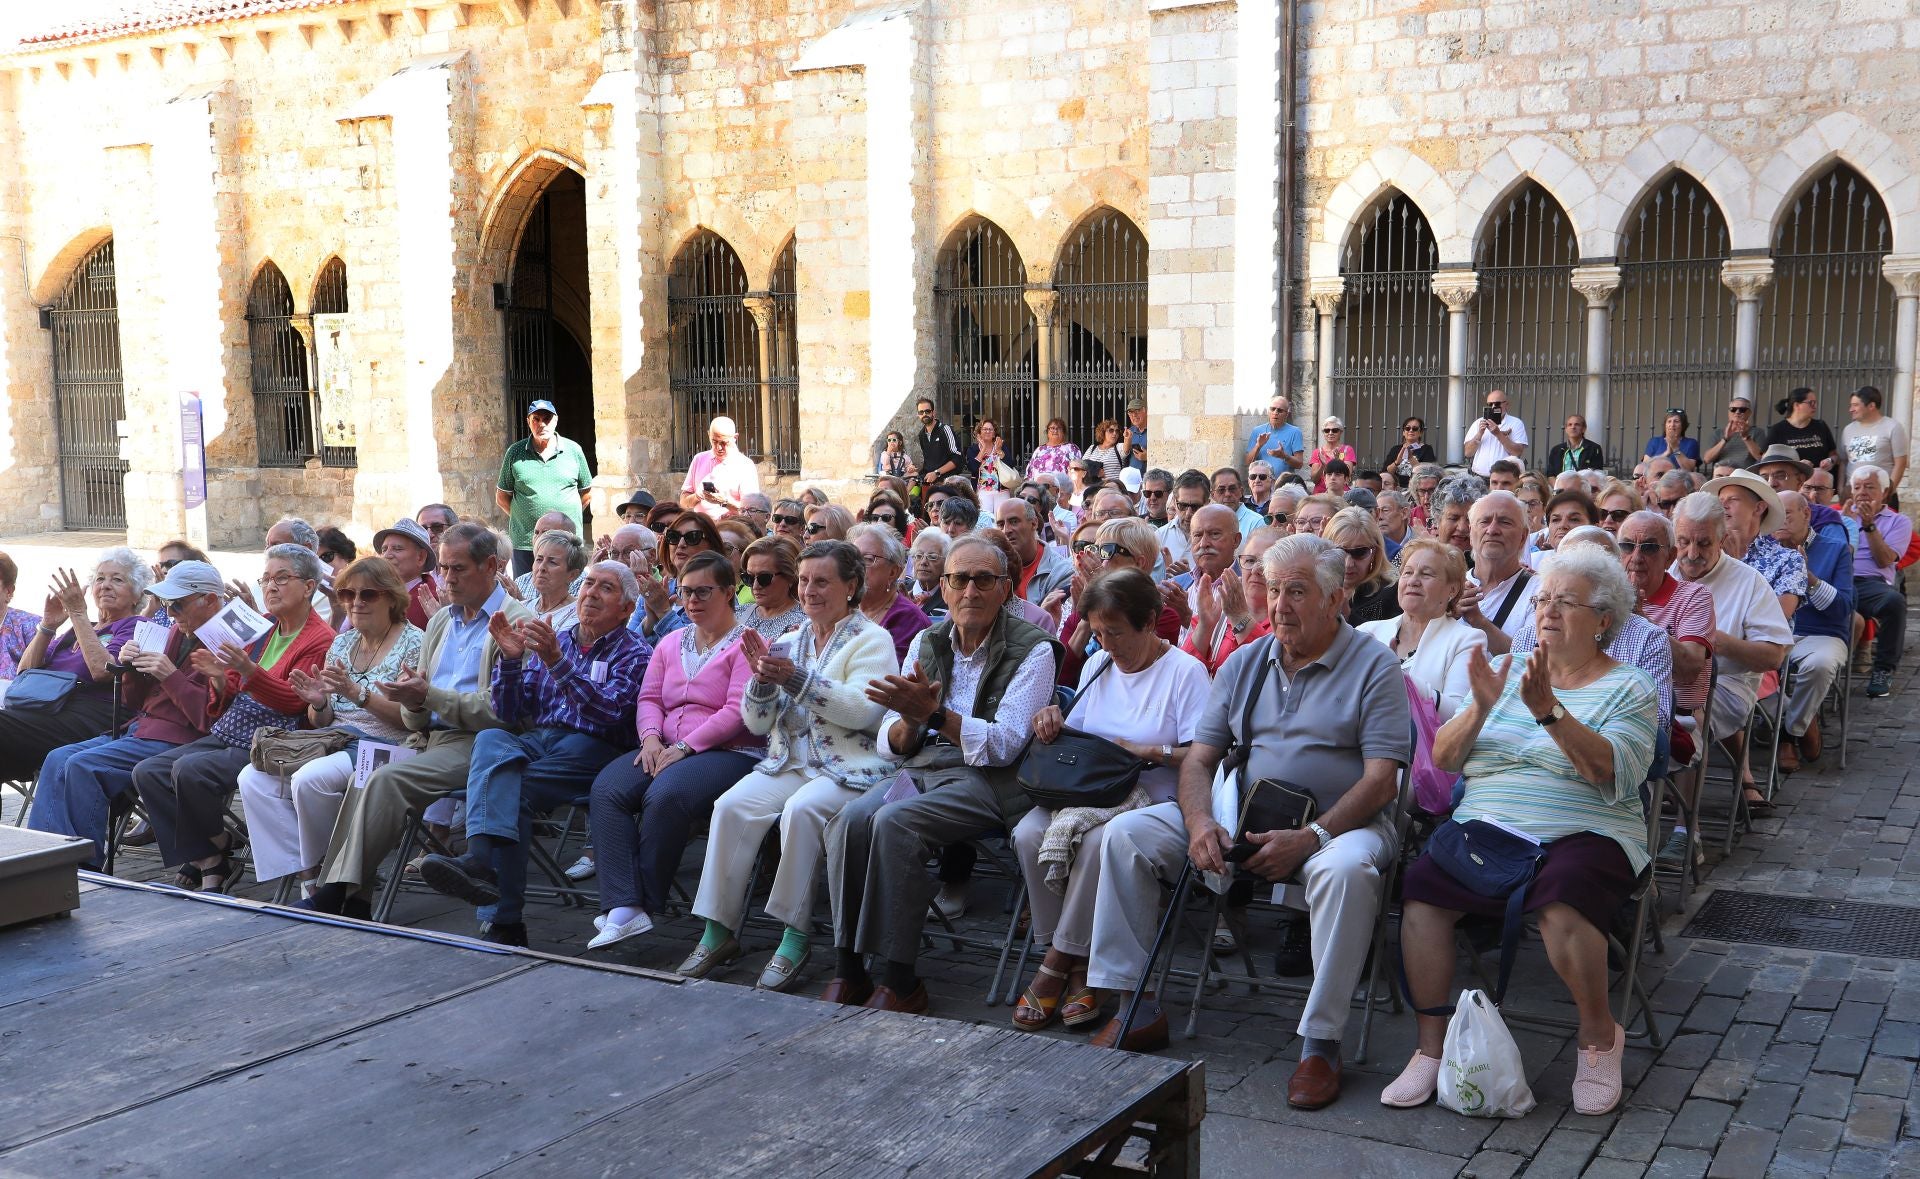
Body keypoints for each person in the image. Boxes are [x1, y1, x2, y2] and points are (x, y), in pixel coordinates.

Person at [1086, 536, 1410, 1106]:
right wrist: (1199, 823)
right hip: (1247, 813)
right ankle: (1134, 1003)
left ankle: (1320, 1041)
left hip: (1343, 825)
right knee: (1125, 833)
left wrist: (1313, 836)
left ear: (1337, 600)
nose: (1280, 605)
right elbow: (1201, 758)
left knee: (1346, 872)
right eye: (1274, 589)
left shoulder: (1374, 666)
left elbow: (1383, 778)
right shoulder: (1246, 661)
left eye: (1298, 592)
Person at [1389, 547, 1659, 1117]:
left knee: (1562, 902)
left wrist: (1551, 714)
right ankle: (1430, 1049)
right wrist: (1483, 706)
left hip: (1586, 831)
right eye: (1542, 600)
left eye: (1566, 602)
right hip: (1489, 827)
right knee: (1421, 890)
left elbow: (1609, 770)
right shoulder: (1510, 673)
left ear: (1604, 619)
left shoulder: (1629, 686)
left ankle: (1598, 1038)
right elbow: (1443, 757)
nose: (1547, 612)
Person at [817, 535, 1060, 1012]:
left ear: (1006, 588)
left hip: (989, 781)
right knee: (848, 821)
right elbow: (890, 737)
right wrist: (909, 720)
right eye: (959, 580)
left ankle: (899, 975)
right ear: (943, 589)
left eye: (983, 580)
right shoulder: (928, 641)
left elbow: (1005, 745)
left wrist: (932, 716)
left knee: (894, 823)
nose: (970, 591)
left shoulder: (1035, 650)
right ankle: (848, 966)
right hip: (923, 766)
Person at [680, 541, 898, 986]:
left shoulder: (873, 639)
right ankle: (717, 930)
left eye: (822, 581)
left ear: (851, 586)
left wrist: (793, 678)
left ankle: (794, 935)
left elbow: (863, 712)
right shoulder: (788, 640)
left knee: (802, 810)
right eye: (803, 580)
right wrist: (761, 683)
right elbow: (757, 724)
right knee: (731, 806)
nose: (809, 590)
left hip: (849, 767)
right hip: (788, 763)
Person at [1004, 568, 1210, 1030]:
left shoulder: (1184, 673)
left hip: (1160, 804)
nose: (1106, 643)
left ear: (1150, 622)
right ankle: (1079, 966)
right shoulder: (1099, 666)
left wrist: (1145, 751)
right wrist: (1055, 717)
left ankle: (1055, 963)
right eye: (1097, 632)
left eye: (1115, 632)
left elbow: (1205, 755)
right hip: (1095, 796)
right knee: (1028, 832)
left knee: (1100, 841)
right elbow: (1084, 741)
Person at [302, 524, 534, 925]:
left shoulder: (514, 621)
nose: (448, 578)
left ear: (492, 566)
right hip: (426, 737)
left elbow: (503, 711)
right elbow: (416, 712)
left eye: (459, 568)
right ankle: (356, 900)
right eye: (444, 568)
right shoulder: (443, 621)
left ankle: (333, 891)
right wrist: (411, 698)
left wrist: (425, 696)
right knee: (365, 773)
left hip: (481, 743)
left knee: (385, 779)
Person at [416, 562, 651, 944]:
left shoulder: (635, 651)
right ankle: (480, 863)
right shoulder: (558, 637)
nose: (591, 593)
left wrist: (558, 663)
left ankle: (503, 918)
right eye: (588, 584)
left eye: (606, 588)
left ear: (626, 608)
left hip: (595, 749)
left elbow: (608, 714)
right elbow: (509, 712)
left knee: (511, 790)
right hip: (540, 739)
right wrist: (509, 662)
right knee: (491, 739)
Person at [583, 552, 762, 950]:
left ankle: (637, 905)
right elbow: (648, 697)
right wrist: (649, 737)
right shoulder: (670, 642)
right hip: (662, 744)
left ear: (729, 592)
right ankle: (623, 906)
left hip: (726, 750)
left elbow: (737, 711)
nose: (692, 600)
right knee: (608, 788)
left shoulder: (745, 644)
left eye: (703, 591)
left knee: (666, 795)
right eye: (685, 592)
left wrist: (685, 746)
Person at [136, 544, 335, 892]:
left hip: (276, 738)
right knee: (148, 772)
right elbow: (228, 690)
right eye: (267, 579)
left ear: (308, 587)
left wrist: (247, 671)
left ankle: (215, 849)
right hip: (234, 728)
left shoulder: (320, 638)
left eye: (282, 578)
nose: (270, 587)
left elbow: (294, 702)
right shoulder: (262, 626)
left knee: (189, 771)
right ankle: (214, 853)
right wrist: (218, 676)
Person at [234, 556, 424, 892]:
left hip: (390, 746)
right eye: (348, 595)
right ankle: (308, 873)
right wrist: (318, 701)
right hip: (337, 738)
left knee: (308, 779)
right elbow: (322, 718)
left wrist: (358, 693)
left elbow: (411, 720)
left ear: (392, 597)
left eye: (369, 595)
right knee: (253, 776)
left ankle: (334, 874)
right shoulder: (343, 642)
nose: (356, 602)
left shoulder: (415, 642)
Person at [27, 560, 231, 865]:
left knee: (83, 766)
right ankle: (44, 861)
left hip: (176, 740)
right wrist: (130, 670)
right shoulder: (174, 630)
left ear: (210, 600)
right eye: (166, 605)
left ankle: (84, 865)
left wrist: (169, 675)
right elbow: (136, 702)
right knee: (57, 758)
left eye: (178, 605)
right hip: (141, 728)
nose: (171, 614)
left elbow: (209, 719)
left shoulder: (226, 639)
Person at [1671, 494, 1791, 807]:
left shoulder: (1748, 581)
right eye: (1683, 542)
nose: (1691, 554)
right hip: (1661, 680)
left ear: (1722, 539)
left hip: (1726, 686)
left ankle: (1687, 833)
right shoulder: (1662, 572)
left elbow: (1774, 655)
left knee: (1688, 717)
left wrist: (1717, 640)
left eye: (1704, 544)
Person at [0, 550, 147, 782]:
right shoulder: (81, 627)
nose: (106, 585)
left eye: (117, 579)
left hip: (93, 718)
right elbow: (25, 671)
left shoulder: (136, 625)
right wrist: (48, 625)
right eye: (100, 579)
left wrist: (77, 613)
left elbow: (102, 671)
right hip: (45, 711)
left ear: (137, 595)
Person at [1358, 537, 1486, 720]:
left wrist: (1399, 678)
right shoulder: (1368, 632)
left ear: (1452, 589)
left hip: (1422, 746)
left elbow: (1458, 713)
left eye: (1426, 574)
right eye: (1407, 573)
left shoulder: (1468, 640)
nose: (1413, 581)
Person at [1774, 491, 1853, 773]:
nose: (1778, 521)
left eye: (1786, 513)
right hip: (1776, 632)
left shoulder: (1835, 549)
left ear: (1806, 514)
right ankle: (1804, 717)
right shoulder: (1764, 551)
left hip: (1823, 633)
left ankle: (1790, 733)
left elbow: (1843, 608)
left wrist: (1808, 578)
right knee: (1746, 667)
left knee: (1820, 665)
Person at [496, 398, 592, 576]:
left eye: (547, 419)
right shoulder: (515, 453)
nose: (542, 424)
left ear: (555, 420)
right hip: (527, 542)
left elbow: (586, 493)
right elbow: (502, 497)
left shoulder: (573, 450)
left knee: (571, 587)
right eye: (536, 419)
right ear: (528, 422)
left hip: (567, 541)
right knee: (526, 590)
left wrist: (564, 518)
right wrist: (523, 516)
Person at [1706, 468, 1805, 624]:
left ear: (1759, 508)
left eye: (1733, 499)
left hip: (1756, 645)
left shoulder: (1789, 559)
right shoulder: (1705, 552)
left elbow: (1777, 617)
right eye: (1720, 500)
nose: (1723, 505)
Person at [1846, 464, 1910, 699]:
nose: (1862, 492)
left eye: (1869, 487)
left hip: (1869, 583)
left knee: (1894, 602)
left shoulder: (1899, 521)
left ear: (1884, 492)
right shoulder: (1839, 514)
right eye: (1857, 487)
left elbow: (1884, 560)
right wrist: (1842, 524)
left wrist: (1869, 525)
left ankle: (1883, 670)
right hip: (1835, 579)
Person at [1459, 491, 1536, 652]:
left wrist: (1478, 621)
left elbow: (1529, 664)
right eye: (1484, 521)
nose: (1492, 530)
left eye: (1505, 522)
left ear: (1523, 536)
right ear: (1471, 533)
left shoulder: (1541, 592)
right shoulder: (1450, 587)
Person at [847, 522, 931, 663]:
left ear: (893, 572)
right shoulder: (846, 608)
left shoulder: (908, 620)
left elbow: (884, 678)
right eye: (852, 559)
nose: (856, 566)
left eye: (868, 559)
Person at [635, 511, 724, 642]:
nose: (681, 544)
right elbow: (628, 648)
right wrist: (649, 622)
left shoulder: (719, 592)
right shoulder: (655, 591)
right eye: (673, 537)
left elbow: (694, 651)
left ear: (712, 546)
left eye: (692, 537)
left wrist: (663, 612)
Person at [679, 414, 761, 521]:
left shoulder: (745, 466)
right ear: (709, 435)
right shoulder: (699, 459)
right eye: (714, 442)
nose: (719, 448)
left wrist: (724, 502)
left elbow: (751, 511)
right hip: (701, 528)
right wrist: (698, 496)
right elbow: (684, 502)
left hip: (731, 531)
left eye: (724, 443)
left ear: (735, 438)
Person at [1325, 507, 1399, 625]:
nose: (1348, 563)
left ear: (1375, 552)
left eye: (1359, 552)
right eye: (1340, 552)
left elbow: (1386, 640)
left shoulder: (1392, 593)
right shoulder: (1314, 589)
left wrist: (1348, 616)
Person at [994, 497, 1072, 607]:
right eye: (1001, 524)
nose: (1006, 530)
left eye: (1014, 522)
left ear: (1034, 523)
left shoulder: (1061, 571)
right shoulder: (991, 566)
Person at [374, 517, 442, 628]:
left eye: (397, 549)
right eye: (384, 549)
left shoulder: (434, 601)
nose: (387, 555)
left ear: (420, 557)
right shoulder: (370, 593)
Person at [738, 535, 808, 641]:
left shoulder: (805, 624)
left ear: (790, 577)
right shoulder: (737, 614)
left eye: (764, 578)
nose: (755, 586)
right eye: (749, 577)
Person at [1843, 385, 1908, 489]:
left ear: (1871, 406)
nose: (1851, 409)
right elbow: (1844, 462)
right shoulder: (1848, 430)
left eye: (1855, 405)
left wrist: (1888, 492)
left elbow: (1900, 463)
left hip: (1881, 494)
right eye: (1851, 405)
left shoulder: (1892, 427)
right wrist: (1842, 490)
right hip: (1853, 494)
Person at [522, 529, 588, 630]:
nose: (541, 568)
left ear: (572, 575)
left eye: (552, 562)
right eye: (539, 559)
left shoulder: (578, 616)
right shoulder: (522, 607)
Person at [1764, 387, 1839, 472]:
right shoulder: (1778, 429)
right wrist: (1797, 465)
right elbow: (1765, 458)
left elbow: (1834, 454)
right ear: (1797, 405)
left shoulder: (1821, 426)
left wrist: (1830, 461)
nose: (1815, 406)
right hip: (1792, 481)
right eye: (1811, 403)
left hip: (1820, 479)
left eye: (1815, 402)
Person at [1464, 389, 1530, 476]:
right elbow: (1468, 453)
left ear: (1506, 405)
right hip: (1479, 476)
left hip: (1503, 477)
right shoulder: (1478, 423)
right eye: (1490, 404)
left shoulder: (1516, 423)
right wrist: (1480, 433)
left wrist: (1498, 434)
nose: (1493, 407)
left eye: (1497, 404)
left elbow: (1517, 452)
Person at [1157, 470, 1210, 572]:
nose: (1188, 513)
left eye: (1195, 506)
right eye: (1182, 505)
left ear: (1207, 504)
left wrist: (1187, 578)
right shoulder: (1159, 536)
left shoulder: (1217, 540)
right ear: (1174, 501)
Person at [1532, 489, 1598, 568]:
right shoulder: (1532, 563)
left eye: (1574, 519)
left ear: (1594, 528)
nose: (1562, 525)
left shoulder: (1605, 568)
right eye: (1555, 520)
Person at [913, 398, 964, 490]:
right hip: (929, 483)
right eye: (921, 412)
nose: (924, 414)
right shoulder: (922, 435)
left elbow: (957, 458)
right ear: (918, 415)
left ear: (933, 412)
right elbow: (928, 462)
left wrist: (936, 473)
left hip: (947, 483)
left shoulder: (945, 429)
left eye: (927, 411)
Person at [1700, 396, 1763, 468]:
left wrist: (1746, 437)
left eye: (1742, 409)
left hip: (1745, 475)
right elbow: (1707, 460)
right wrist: (1725, 439)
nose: (1737, 412)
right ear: (1728, 413)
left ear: (1749, 413)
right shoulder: (1717, 433)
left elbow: (1760, 458)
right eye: (1733, 409)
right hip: (1722, 475)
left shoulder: (1757, 432)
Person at [1247, 395, 1306, 473]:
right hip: (1262, 481)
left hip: (1284, 482)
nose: (1275, 413)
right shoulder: (1257, 431)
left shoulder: (1295, 432)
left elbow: (1299, 464)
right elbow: (1248, 462)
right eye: (1273, 409)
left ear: (1287, 414)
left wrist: (1284, 456)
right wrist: (1258, 446)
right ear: (1268, 411)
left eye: (1280, 410)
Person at [966, 418, 1011, 514]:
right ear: (979, 432)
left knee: (1002, 518)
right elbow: (972, 468)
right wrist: (983, 450)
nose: (987, 431)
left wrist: (999, 451)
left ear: (994, 433)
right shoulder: (973, 449)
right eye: (984, 429)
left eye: (990, 429)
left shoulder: (1001, 446)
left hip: (1001, 491)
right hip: (982, 491)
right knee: (985, 519)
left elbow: (1011, 464)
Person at [1210, 467, 1265, 537]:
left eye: (1232, 489)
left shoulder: (1256, 522)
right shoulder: (1207, 522)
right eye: (1221, 490)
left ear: (1241, 492)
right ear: (1212, 495)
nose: (1227, 494)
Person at [905, 529, 949, 614]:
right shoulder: (898, 593)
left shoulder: (950, 599)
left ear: (946, 563)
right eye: (919, 556)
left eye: (932, 557)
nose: (923, 562)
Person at [1308, 418, 1358, 492]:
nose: (1330, 433)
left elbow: (1347, 475)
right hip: (1320, 494)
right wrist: (1322, 466)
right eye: (1327, 430)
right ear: (1324, 433)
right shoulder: (1317, 452)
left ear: (1340, 432)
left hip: (1340, 494)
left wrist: (1337, 460)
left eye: (1334, 430)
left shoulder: (1347, 450)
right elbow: (1314, 480)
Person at [1026, 416, 1082, 481]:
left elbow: (1078, 470)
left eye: (1059, 428)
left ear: (1063, 432)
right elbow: (1030, 471)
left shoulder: (1071, 448)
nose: (1055, 430)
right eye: (1052, 428)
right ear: (1047, 432)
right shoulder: (1039, 450)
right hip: (1039, 488)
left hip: (1063, 488)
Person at [1374, 490, 1415, 561]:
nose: (1379, 517)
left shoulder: (1422, 542)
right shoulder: (1372, 545)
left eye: (1385, 510)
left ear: (1404, 513)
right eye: (1377, 512)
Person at [1084, 419, 1126, 483]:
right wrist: (1095, 471)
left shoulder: (1119, 447)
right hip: (1093, 489)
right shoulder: (1092, 448)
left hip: (1113, 489)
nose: (1114, 433)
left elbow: (1127, 448)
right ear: (1103, 432)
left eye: (1117, 431)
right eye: (1111, 430)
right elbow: (1082, 465)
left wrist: (1127, 438)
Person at [1124, 399, 1150, 473]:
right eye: (1130, 412)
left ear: (1144, 410)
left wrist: (1148, 457)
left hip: (1149, 478)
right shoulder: (1130, 431)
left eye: (1137, 411)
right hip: (1133, 478)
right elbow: (1125, 453)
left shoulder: (1154, 431)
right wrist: (1127, 440)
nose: (1134, 415)